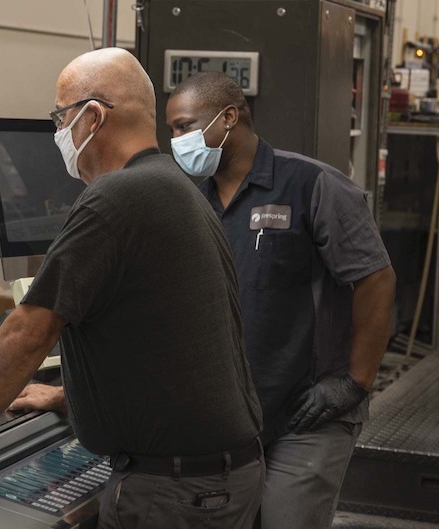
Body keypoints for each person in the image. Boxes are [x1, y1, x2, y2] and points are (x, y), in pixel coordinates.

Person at [0, 48, 265, 529]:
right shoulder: (176, 187)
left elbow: (29, 331)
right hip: (221, 478)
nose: (59, 133)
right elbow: (168, 346)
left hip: (175, 490)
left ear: (92, 117)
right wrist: (67, 397)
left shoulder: (116, 196)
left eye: (61, 118)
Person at [163, 72, 396, 529]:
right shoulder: (192, 198)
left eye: (184, 126)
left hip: (310, 410)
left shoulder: (312, 185)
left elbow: (377, 280)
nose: (176, 140)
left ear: (229, 117)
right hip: (231, 415)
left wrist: (355, 382)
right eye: (172, 129)